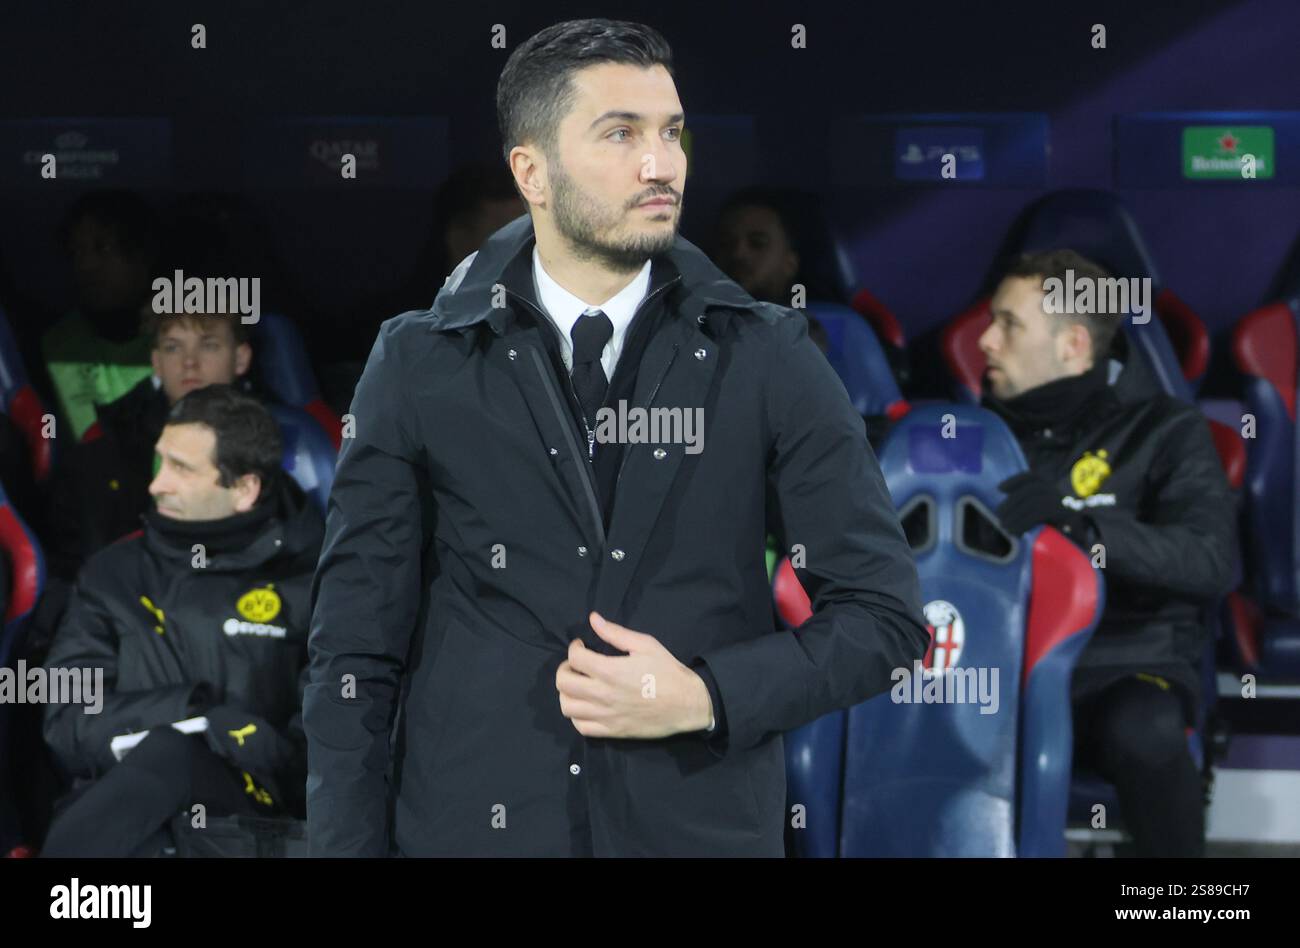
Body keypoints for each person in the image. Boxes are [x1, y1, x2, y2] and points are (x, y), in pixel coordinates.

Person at [304, 17, 928, 857]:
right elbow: (354, 647)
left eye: (671, 132)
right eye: (621, 132)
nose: (660, 162)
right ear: (532, 170)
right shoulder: (419, 360)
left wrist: (707, 696)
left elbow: (883, 617)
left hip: (695, 829)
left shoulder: (772, 354)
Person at [978, 248, 1236, 857]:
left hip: (1116, 667)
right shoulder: (969, 438)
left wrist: (1078, 526)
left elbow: (1208, 559)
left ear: (1072, 344)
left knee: (1142, 727)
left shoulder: (1165, 430)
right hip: (989, 671)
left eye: (1008, 323)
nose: (985, 340)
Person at [39, 385, 323, 857]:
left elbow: (330, 746)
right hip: (124, 816)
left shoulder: (313, 584)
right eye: (160, 461)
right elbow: (66, 723)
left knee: (176, 759)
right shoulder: (112, 575)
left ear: (244, 489)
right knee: (167, 765)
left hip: (251, 824)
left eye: (181, 468)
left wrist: (245, 743)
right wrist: (195, 715)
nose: (155, 484)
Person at [45, 311, 254, 584]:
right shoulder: (105, 449)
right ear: (156, 361)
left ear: (240, 358)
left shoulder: (273, 445)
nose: (189, 363)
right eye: (173, 347)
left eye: (208, 345)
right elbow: (72, 574)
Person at [41, 191, 161, 440]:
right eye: (77, 253)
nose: (86, 265)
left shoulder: (183, 331)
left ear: (142, 257)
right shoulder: (59, 343)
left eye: (103, 248)